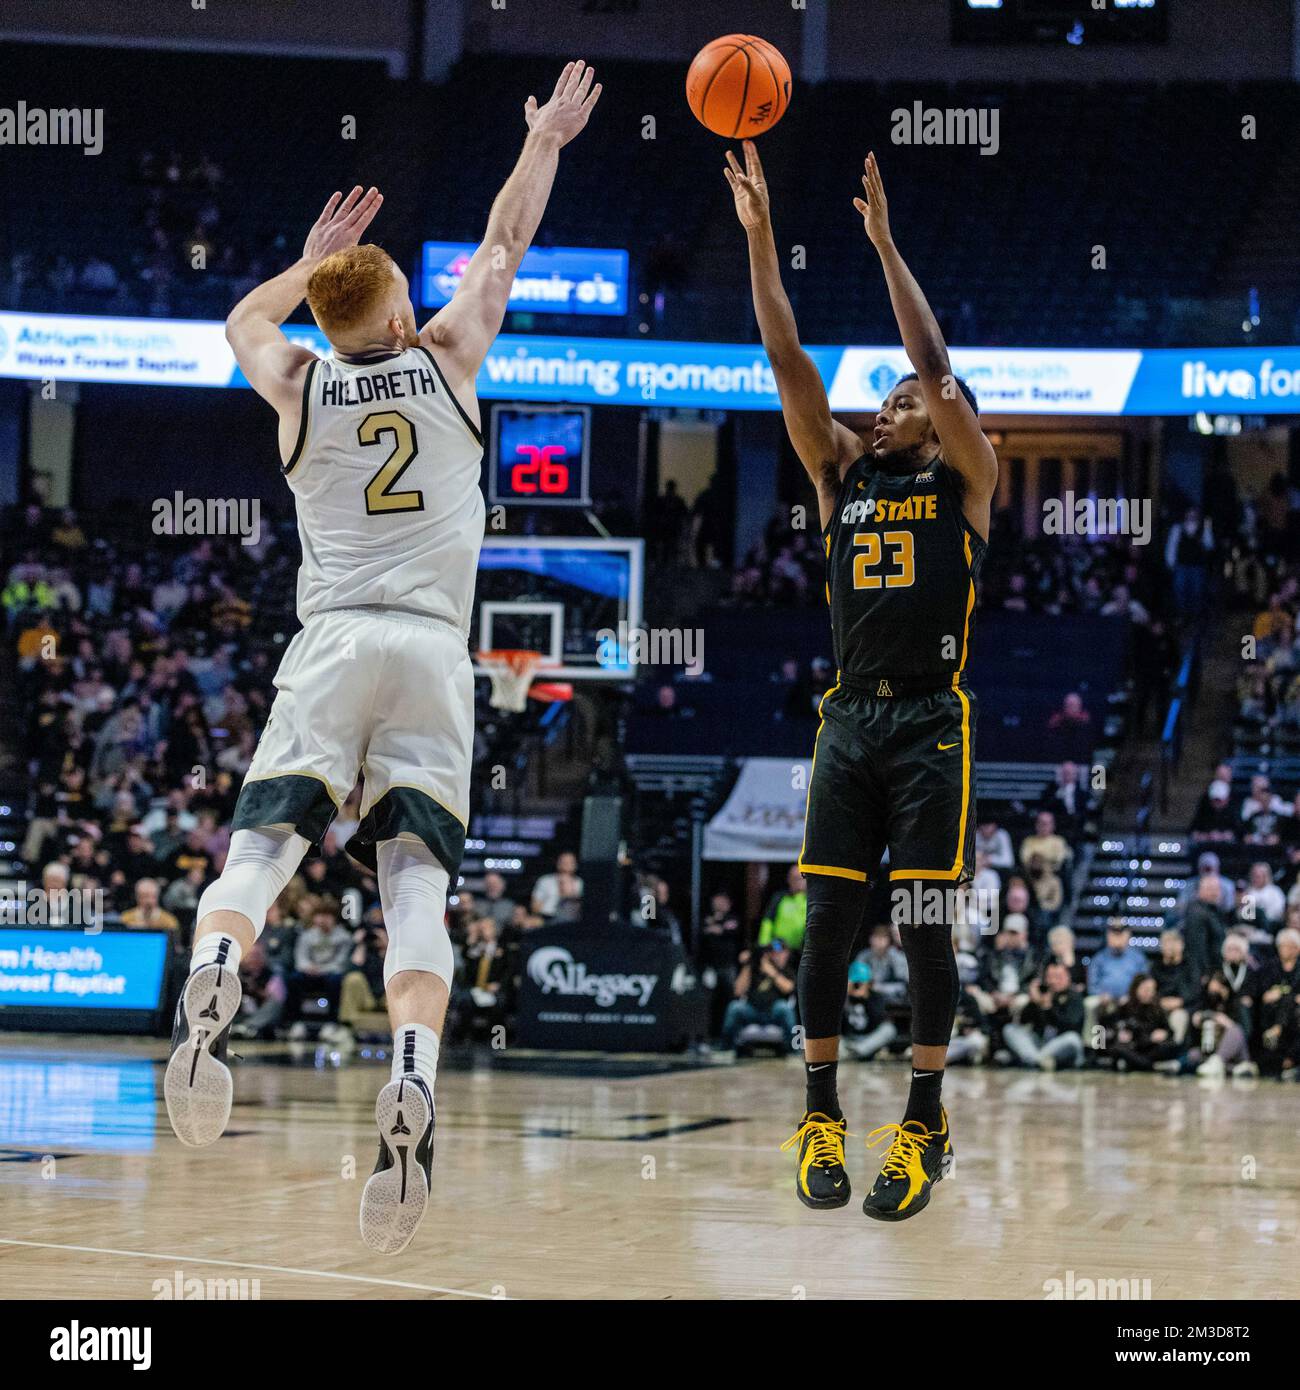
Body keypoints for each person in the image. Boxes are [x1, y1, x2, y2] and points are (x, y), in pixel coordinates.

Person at [161, 61, 603, 1256]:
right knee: (413, 882)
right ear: (404, 317)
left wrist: (309, 266)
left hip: (331, 639)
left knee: (258, 847)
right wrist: (543, 136)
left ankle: (215, 964)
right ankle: (411, 1067)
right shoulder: (451, 354)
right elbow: (508, 236)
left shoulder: (299, 380)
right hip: (430, 653)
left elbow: (241, 320)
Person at [726, 141, 998, 1218]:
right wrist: (758, 239)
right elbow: (784, 352)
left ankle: (923, 1118)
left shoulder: (970, 478)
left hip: (933, 721)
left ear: (945, 421)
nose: (887, 407)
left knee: (925, 927)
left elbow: (931, 362)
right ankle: (821, 1111)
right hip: (849, 719)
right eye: (881, 400)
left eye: (902, 402)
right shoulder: (840, 474)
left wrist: (884, 245)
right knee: (828, 927)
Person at [1002, 961, 1085, 1071]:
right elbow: (1024, 1021)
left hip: (1061, 1044)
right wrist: (1033, 1002)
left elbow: (1070, 1025)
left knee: (1072, 1039)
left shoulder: (1074, 997)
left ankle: (1034, 1060)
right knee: (1010, 1029)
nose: (1054, 981)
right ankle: (1039, 1060)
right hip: (1040, 1043)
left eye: (1058, 977)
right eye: (1050, 977)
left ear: (1067, 977)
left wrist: (1048, 1007)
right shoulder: (1042, 994)